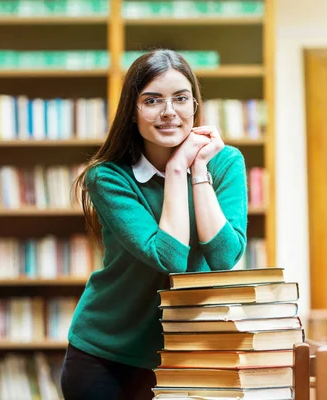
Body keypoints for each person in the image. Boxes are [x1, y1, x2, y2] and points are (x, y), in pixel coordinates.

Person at [60, 49, 248, 399]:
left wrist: (198, 170)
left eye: (180, 98)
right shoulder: (108, 178)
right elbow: (170, 257)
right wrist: (178, 169)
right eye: (152, 100)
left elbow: (224, 257)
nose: (168, 112)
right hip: (106, 355)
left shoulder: (225, 163)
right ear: (133, 111)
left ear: (194, 105)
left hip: (187, 353)